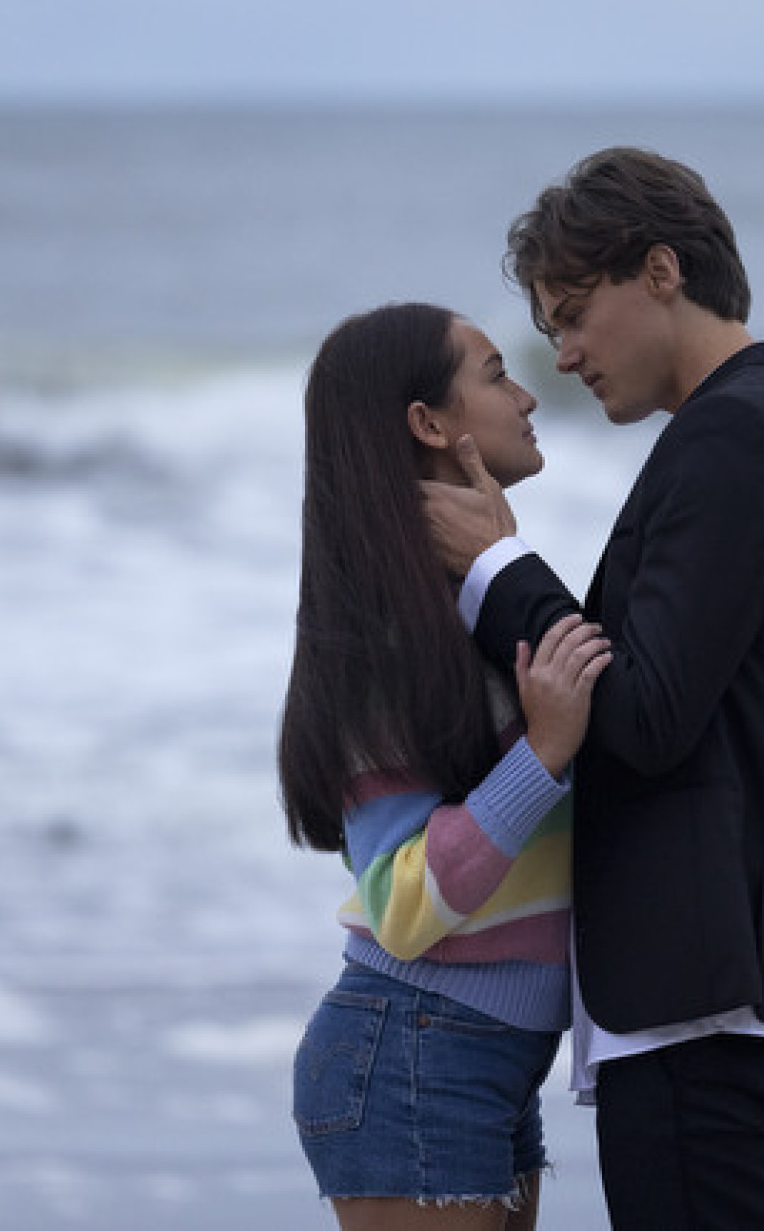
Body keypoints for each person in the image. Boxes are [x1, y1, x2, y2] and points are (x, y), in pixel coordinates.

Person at [423, 148, 764, 1230]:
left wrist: (499, 568)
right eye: (549, 332)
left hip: (710, 1008)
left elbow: (641, 713)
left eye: (576, 312)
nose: (569, 354)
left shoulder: (736, 436)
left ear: (662, 270)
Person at [279, 302, 613, 1229]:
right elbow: (401, 899)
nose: (526, 393)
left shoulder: (476, 607)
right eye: (497, 372)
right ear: (428, 423)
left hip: (482, 1059)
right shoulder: (390, 638)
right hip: (413, 1048)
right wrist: (543, 751)